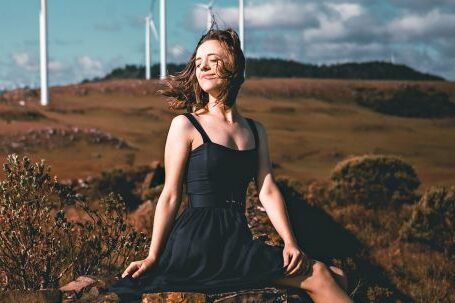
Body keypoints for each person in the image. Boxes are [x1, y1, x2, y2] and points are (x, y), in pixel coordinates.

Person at [105, 25, 354, 303]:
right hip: (200, 240)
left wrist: (290, 242)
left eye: (214, 59)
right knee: (319, 274)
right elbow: (171, 195)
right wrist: (153, 256)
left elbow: (267, 189)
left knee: (338, 274)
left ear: (234, 66)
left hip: (236, 238)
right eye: (199, 62)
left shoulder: (256, 130)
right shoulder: (186, 125)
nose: (204, 68)